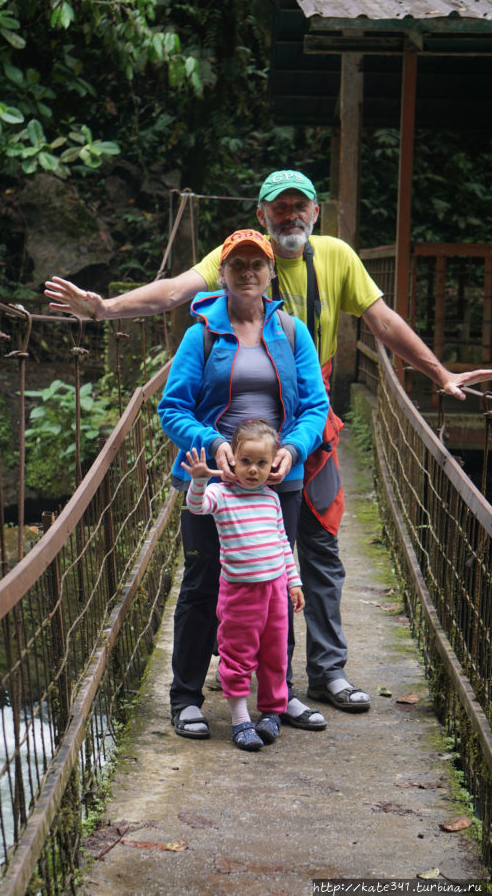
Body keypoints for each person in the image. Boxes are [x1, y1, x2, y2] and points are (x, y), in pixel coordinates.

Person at [45, 169, 492, 728]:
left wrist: (437, 372)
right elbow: (175, 294)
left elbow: (378, 323)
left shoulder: (319, 284)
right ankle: (199, 691)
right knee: (209, 577)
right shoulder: (212, 310)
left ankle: (310, 681)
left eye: (299, 207)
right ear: (257, 224)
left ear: (314, 214)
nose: (289, 218)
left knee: (312, 557)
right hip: (219, 468)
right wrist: (106, 309)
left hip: (299, 441)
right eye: (278, 210)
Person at [156, 228, 329, 738]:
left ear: (272, 273)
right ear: (224, 274)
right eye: (237, 265)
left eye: (258, 264)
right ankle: (186, 696)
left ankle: (279, 696)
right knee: (202, 581)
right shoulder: (202, 334)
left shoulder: (292, 332)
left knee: (276, 583)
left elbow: (317, 404)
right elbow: (173, 407)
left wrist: (293, 448)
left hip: (280, 480)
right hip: (214, 479)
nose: (248, 272)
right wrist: (215, 445)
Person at [181, 421, 304, 752]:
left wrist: (294, 582)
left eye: (262, 463)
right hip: (239, 592)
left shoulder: (271, 499)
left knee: (275, 654)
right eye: (246, 461)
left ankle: (271, 712)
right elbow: (197, 506)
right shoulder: (221, 494)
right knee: (237, 655)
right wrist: (198, 480)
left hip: (275, 591)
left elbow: (282, 543)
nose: (253, 470)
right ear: (232, 458)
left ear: (273, 464)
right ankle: (240, 720)